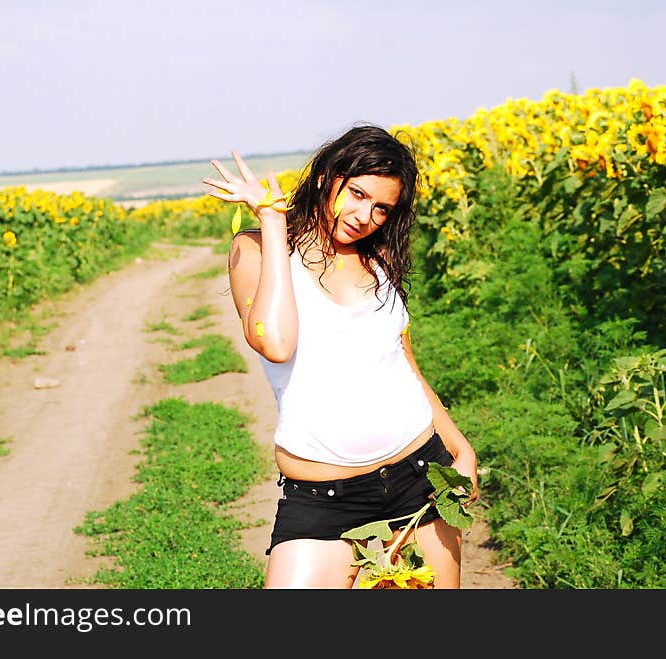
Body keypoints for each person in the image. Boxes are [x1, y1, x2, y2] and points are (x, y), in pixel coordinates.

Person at [201, 124, 478, 589]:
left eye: (381, 208)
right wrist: (272, 222)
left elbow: (405, 367)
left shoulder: (376, 260)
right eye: (356, 193)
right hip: (323, 501)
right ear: (329, 177)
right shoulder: (255, 249)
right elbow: (276, 343)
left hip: (420, 477)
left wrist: (460, 447)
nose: (364, 215)